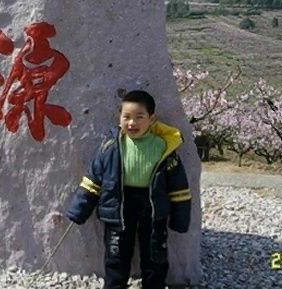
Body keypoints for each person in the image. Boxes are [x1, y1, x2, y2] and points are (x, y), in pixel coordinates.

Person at [66, 90, 192, 289]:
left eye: (139, 117)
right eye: (127, 117)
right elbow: (93, 180)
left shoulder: (163, 147)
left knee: (155, 255)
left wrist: (180, 218)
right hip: (119, 206)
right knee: (116, 254)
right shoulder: (111, 147)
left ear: (152, 119)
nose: (132, 123)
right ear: (119, 118)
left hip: (153, 208)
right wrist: (79, 210)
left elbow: (179, 188)